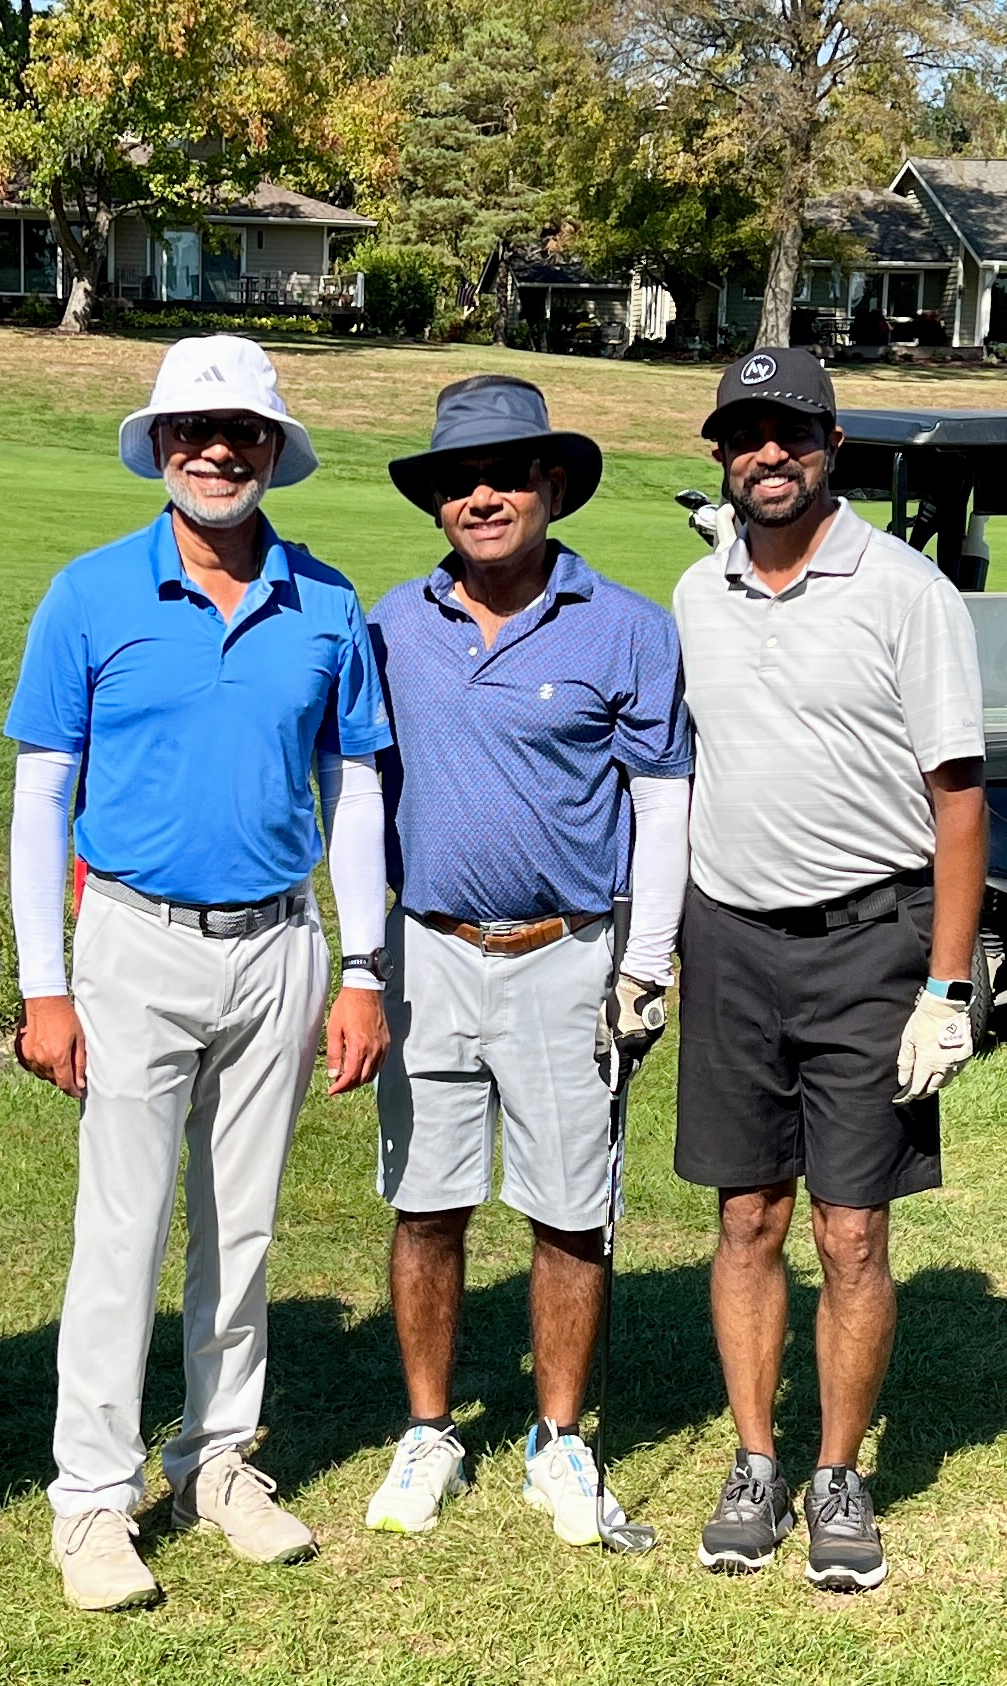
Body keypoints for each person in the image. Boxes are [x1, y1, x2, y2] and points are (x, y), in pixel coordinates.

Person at [8, 335, 395, 1611]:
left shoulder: (326, 602)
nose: (215, 451)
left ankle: (217, 1458)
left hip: (278, 944)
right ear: (159, 447)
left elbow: (351, 794)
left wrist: (360, 965)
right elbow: (38, 795)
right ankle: (92, 1498)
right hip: (128, 940)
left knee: (243, 1221)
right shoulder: (88, 594)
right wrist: (44, 982)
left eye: (239, 432)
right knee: (119, 1229)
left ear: (273, 450)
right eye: (191, 432)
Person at [673, 347, 986, 1592]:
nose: (767, 455)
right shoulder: (700, 595)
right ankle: (754, 1458)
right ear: (721, 455)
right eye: (744, 437)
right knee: (745, 1216)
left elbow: (955, 800)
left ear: (828, 447)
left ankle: (836, 1471)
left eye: (788, 433)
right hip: (731, 941)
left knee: (850, 1233)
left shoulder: (905, 592)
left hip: (870, 942)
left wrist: (945, 987)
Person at [365, 375, 692, 1548]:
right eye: (460, 480)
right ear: (435, 502)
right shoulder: (391, 626)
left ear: (553, 485)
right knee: (426, 1201)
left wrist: (645, 962)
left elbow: (661, 802)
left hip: (569, 955)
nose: (484, 495)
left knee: (568, 1212)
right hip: (428, 952)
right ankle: (426, 1428)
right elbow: (354, 798)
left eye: (508, 474)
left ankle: (558, 1439)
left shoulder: (628, 627)